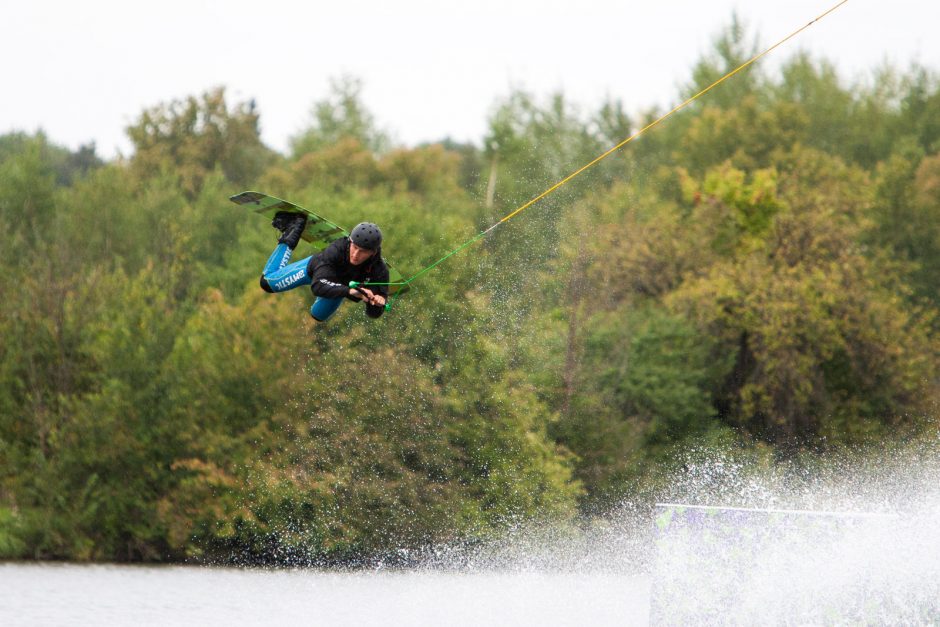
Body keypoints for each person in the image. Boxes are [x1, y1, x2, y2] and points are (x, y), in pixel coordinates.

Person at [259, 212, 389, 322]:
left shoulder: (379, 270)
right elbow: (317, 285)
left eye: (363, 251)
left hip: (337, 288)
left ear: (373, 252)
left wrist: (377, 303)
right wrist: (350, 291)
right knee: (266, 283)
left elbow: (373, 314)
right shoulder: (336, 249)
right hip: (312, 272)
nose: (355, 254)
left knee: (318, 316)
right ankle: (292, 229)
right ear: (350, 242)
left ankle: (336, 295)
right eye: (355, 247)